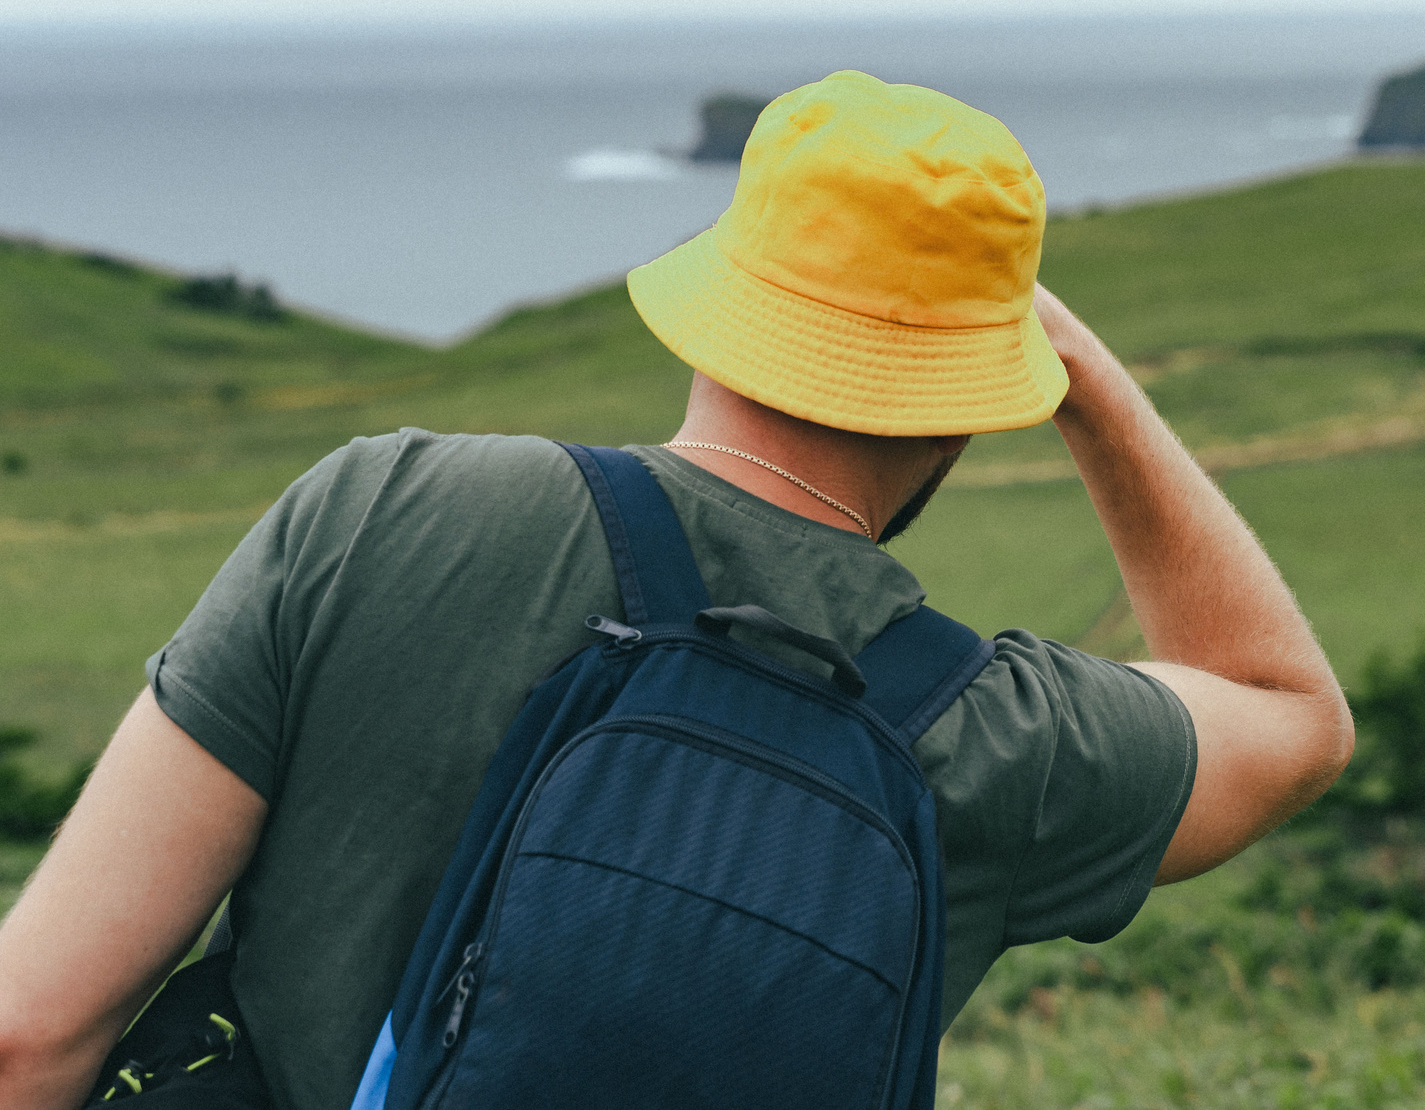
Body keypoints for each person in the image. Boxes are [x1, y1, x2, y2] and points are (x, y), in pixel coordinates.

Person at [0, 72, 1355, 1110]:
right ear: (978, 401)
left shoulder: (384, 509)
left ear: (719, 303)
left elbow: (30, 1030)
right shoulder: (995, 738)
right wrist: (1089, 387)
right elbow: (1289, 716)